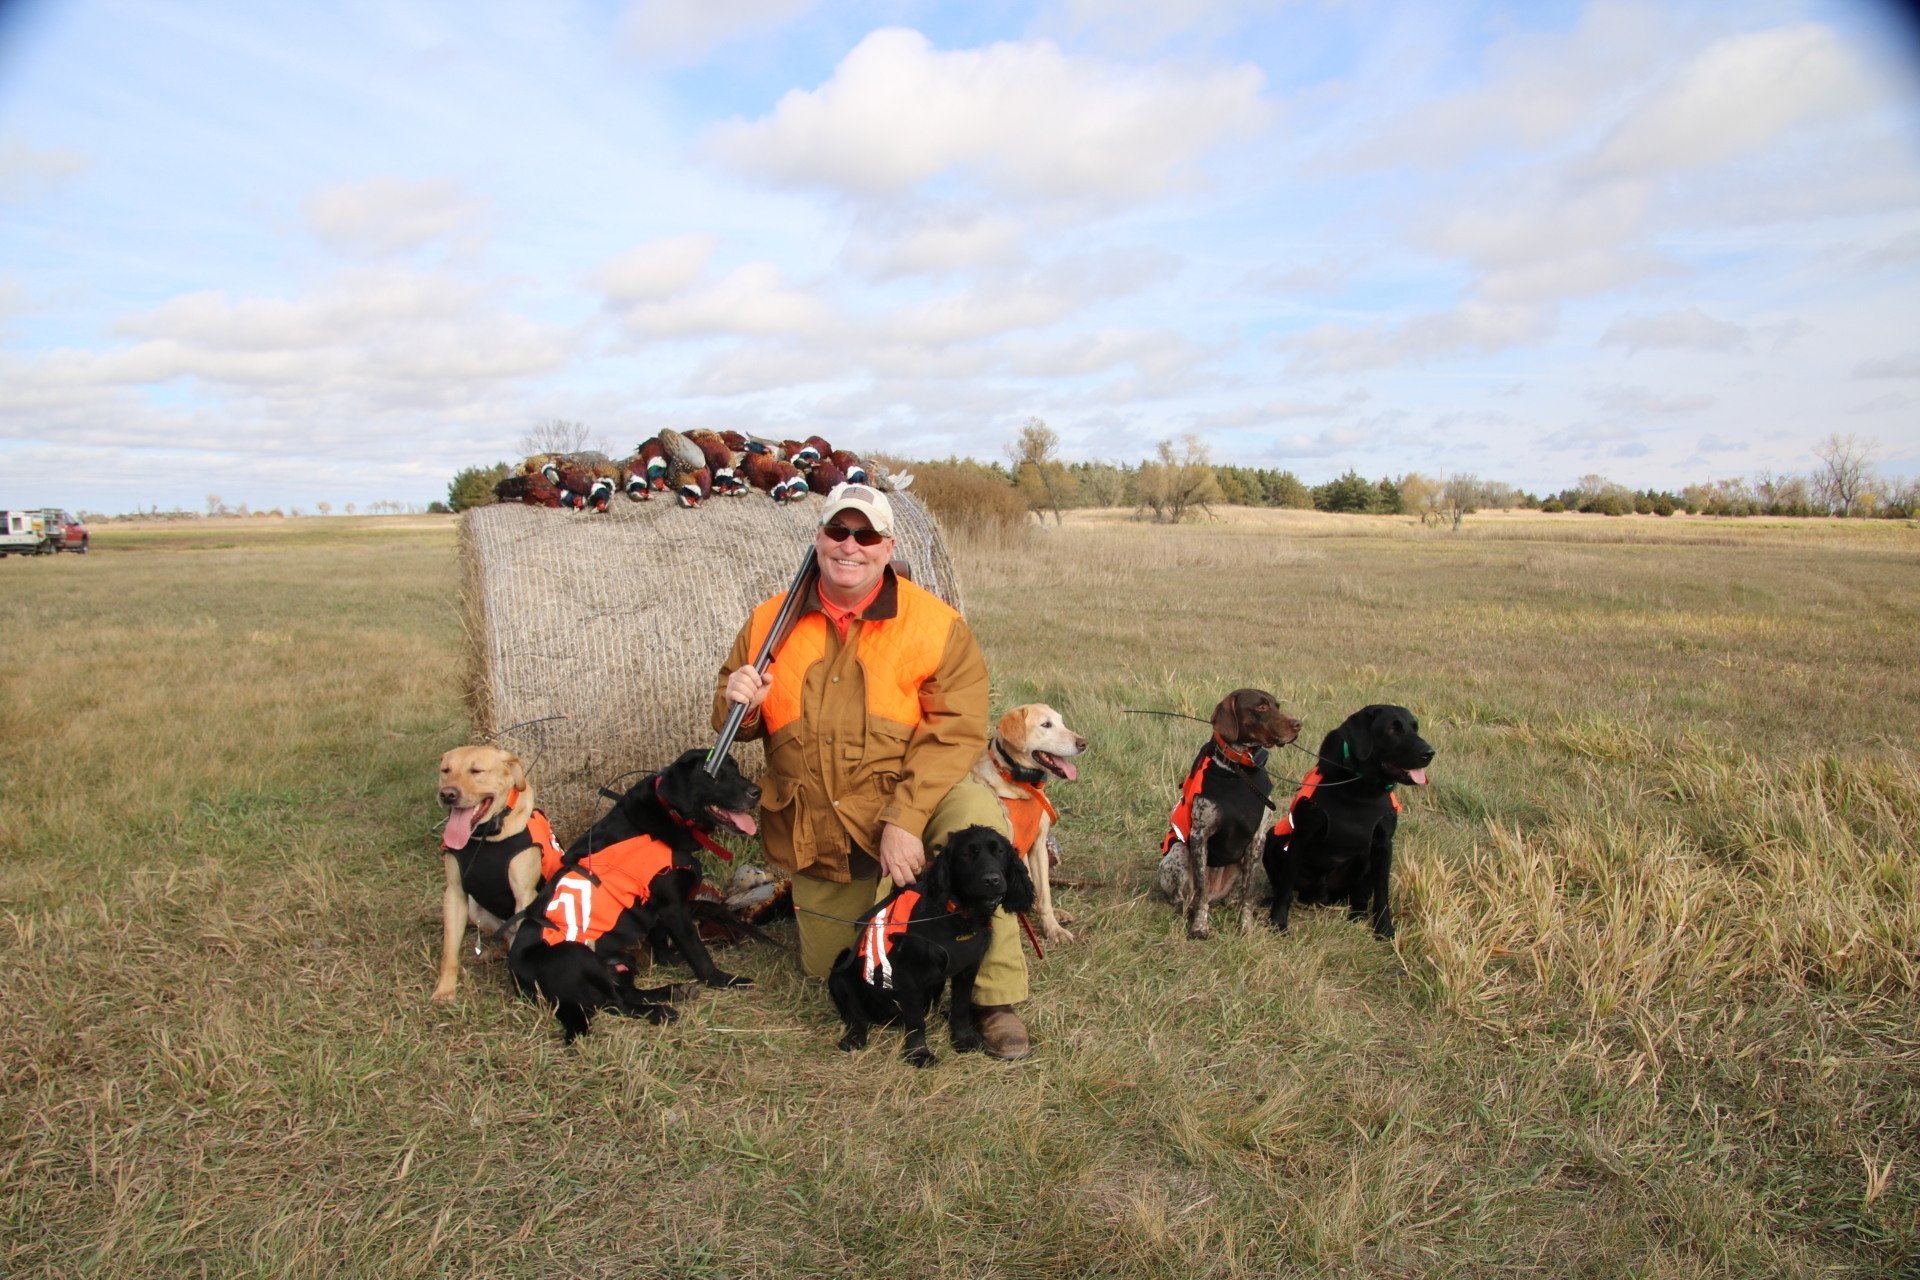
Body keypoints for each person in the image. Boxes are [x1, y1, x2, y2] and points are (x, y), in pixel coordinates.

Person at [713, 482, 1033, 1059]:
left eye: (866, 535)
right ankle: (903, 915)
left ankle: (992, 998)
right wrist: (740, 701)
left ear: (888, 547)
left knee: (979, 826)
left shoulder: (936, 623)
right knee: (832, 967)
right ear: (819, 538)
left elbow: (955, 730)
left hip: (917, 789)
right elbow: (733, 721)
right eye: (838, 530)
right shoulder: (768, 621)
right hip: (822, 813)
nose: (850, 545)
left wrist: (906, 819)